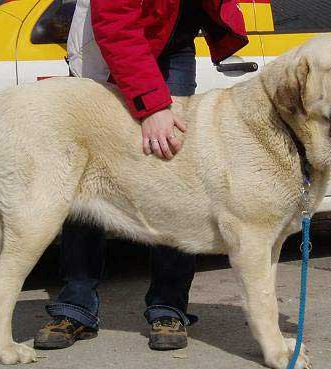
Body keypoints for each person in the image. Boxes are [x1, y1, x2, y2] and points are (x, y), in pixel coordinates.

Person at [34, 0, 248, 351]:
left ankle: (168, 306)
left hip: (172, 43)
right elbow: (116, 25)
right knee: (88, 174)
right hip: (106, 48)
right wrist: (152, 106)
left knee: (173, 175)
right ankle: (75, 305)